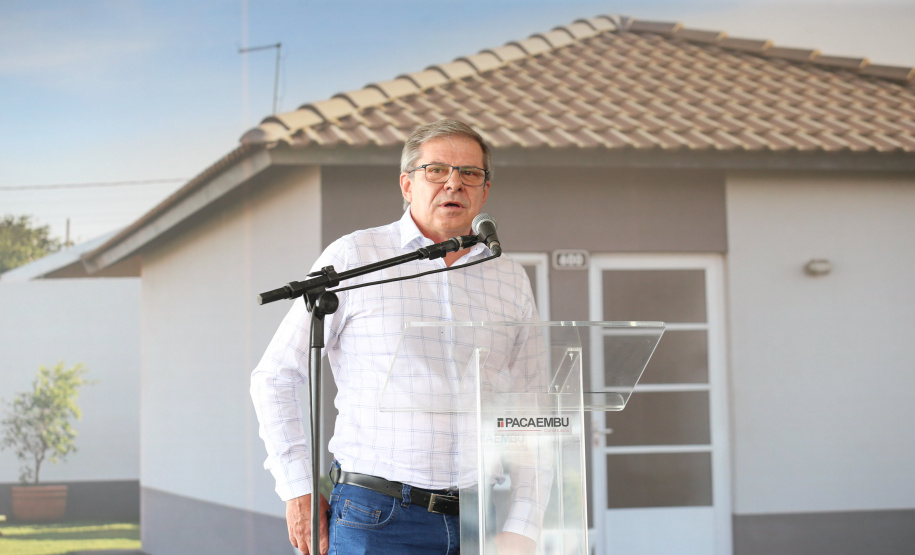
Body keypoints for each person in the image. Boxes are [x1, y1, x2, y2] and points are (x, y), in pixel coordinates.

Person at [251, 119, 544, 555]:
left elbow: (532, 401)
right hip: (377, 517)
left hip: (482, 517)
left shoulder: (508, 277)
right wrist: (298, 489)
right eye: (436, 170)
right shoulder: (356, 257)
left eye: (470, 173)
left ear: (484, 191)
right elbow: (274, 376)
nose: (454, 183)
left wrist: (525, 518)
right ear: (407, 185)